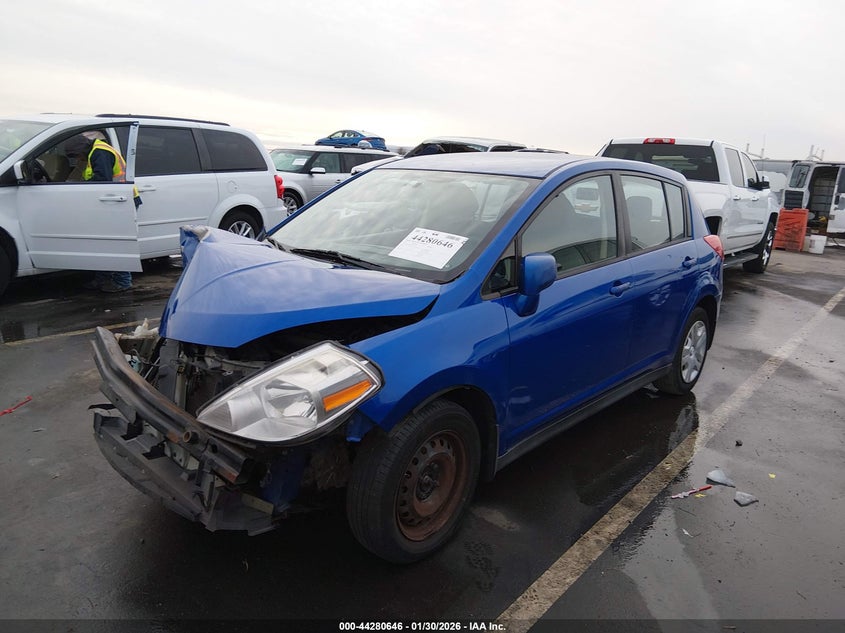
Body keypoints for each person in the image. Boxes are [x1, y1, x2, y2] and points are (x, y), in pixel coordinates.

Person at [65, 134, 138, 293]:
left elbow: (102, 180)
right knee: (102, 242)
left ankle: (123, 281)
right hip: (111, 200)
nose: (78, 159)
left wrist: (79, 188)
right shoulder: (94, 151)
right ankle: (102, 278)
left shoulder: (99, 152)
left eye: (77, 156)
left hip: (120, 201)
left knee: (115, 242)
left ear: (81, 149)